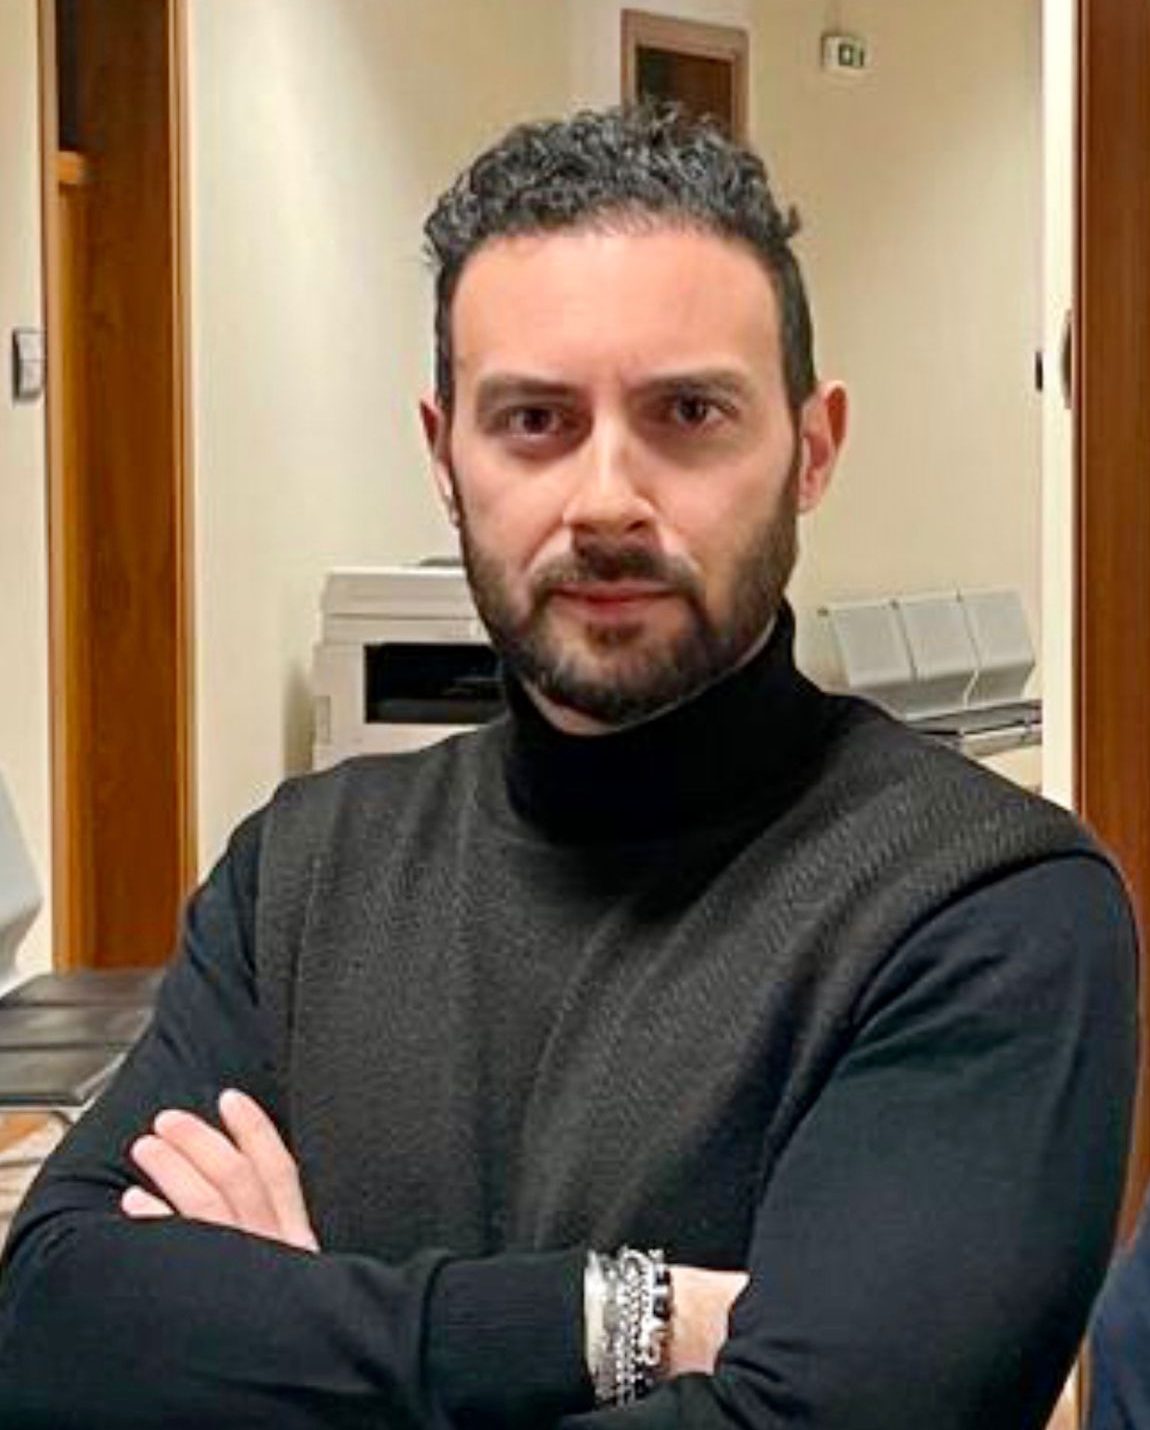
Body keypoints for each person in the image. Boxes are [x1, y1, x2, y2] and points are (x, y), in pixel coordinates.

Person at [0, 104, 1137, 1430]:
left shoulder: (982, 908)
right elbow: (50, 1332)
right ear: (444, 455)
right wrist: (617, 1322)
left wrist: (282, 1342)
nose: (605, 500)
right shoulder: (302, 874)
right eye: (534, 419)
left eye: (689, 413)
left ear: (812, 448)